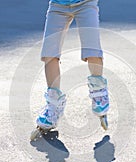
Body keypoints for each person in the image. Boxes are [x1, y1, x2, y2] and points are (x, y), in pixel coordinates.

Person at [31, 0, 109, 140]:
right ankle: (53, 107)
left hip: (86, 3)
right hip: (57, 5)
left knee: (92, 49)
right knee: (49, 54)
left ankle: (99, 94)